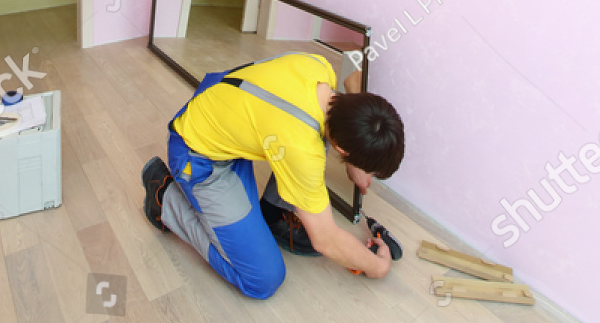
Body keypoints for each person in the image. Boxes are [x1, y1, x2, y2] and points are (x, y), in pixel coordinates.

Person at [140, 51, 405, 299]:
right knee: (262, 279)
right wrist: (376, 267)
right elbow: (325, 239)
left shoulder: (318, 67)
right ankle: (165, 196)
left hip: (226, 121)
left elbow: (351, 72)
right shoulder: (300, 149)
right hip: (197, 158)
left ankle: (274, 214)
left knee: (313, 135)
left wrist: (355, 161)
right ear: (343, 149)